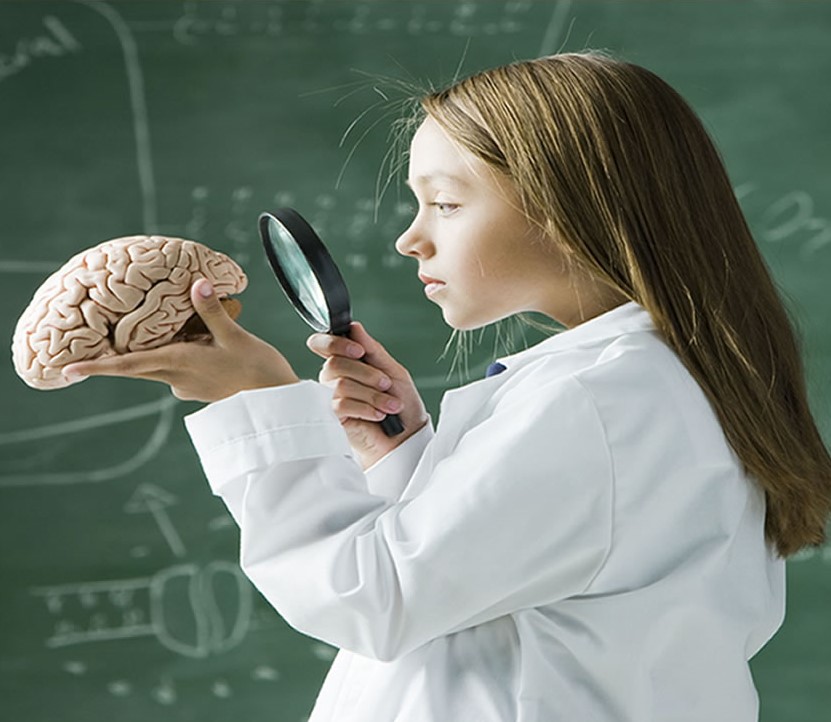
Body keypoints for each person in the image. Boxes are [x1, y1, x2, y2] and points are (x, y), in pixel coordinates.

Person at [62, 52, 831, 721]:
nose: (411, 237)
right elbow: (516, 580)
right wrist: (408, 460)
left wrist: (252, 399)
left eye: (447, 203)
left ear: (572, 209)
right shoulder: (648, 384)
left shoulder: (597, 401)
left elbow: (373, 599)